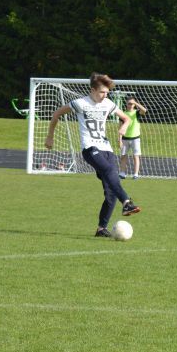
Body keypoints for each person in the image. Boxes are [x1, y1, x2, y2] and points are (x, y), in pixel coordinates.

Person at [44, 73, 141, 237]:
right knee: (109, 171)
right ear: (93, 90)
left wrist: (124, 127)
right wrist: (50, 136)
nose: (105, 95)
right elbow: (57, 114)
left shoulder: (108, 103)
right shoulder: (80, 103)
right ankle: (126, 201)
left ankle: (101, 229)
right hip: (90, 148)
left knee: (111, 192)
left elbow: (127, 118)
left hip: (107, 149)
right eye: (102, 92)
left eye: (107, 93)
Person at [118, 96, 147, 179]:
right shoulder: (123, 114)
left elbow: (144, 110)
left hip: (135, 138)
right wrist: (119, 139)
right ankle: (122, 173)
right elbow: (120, 127)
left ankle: (135, 174)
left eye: (132, 103)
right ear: (126, 104)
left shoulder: (137, 113)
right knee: (123, 156)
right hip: (125, 138)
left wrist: (136, 103)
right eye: (129, 103)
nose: (130, 105)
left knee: (135, 156)